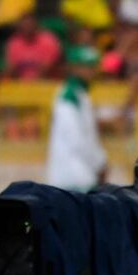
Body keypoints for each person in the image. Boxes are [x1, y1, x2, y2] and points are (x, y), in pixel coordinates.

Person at [45, 46, 107, 192]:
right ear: (74, 68)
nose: (91, 71)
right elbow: (76, 138)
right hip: (72, 178)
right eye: (86, 66)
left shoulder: (80, 94)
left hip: (83, 175)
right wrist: (98, 163)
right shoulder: (69, 96)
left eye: (93, 66)